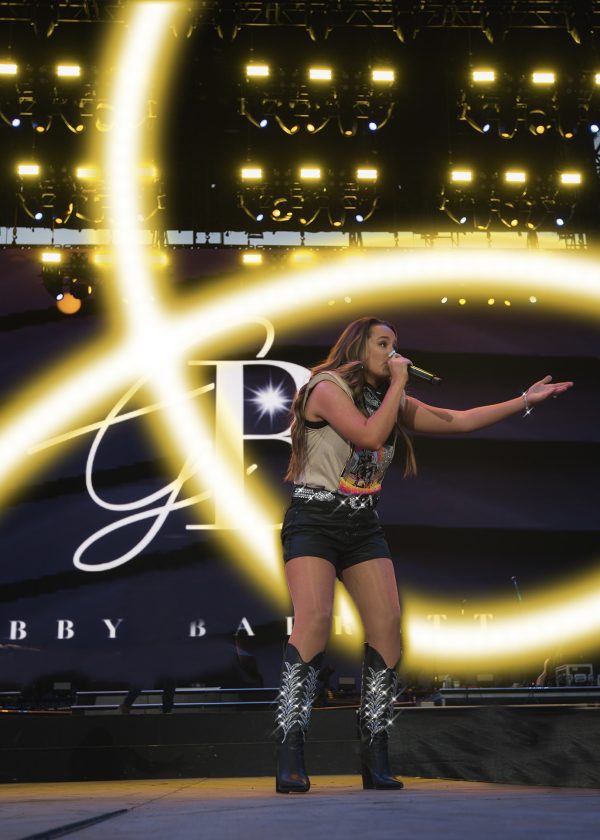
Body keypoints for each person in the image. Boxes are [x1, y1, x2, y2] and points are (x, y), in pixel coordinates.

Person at [274, 316, 573, 794]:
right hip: (314, 517)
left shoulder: (390, 399)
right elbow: (368, 437)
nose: (394, 353)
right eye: (383, 344)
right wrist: (398, 384)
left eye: (396, 345)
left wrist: (524, 401)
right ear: (358, 348)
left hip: (362, 522)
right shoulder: (326, 387)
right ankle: (290, 752)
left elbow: (459, 419)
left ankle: (375, 755)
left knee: (387, 626)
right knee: (314, 619)